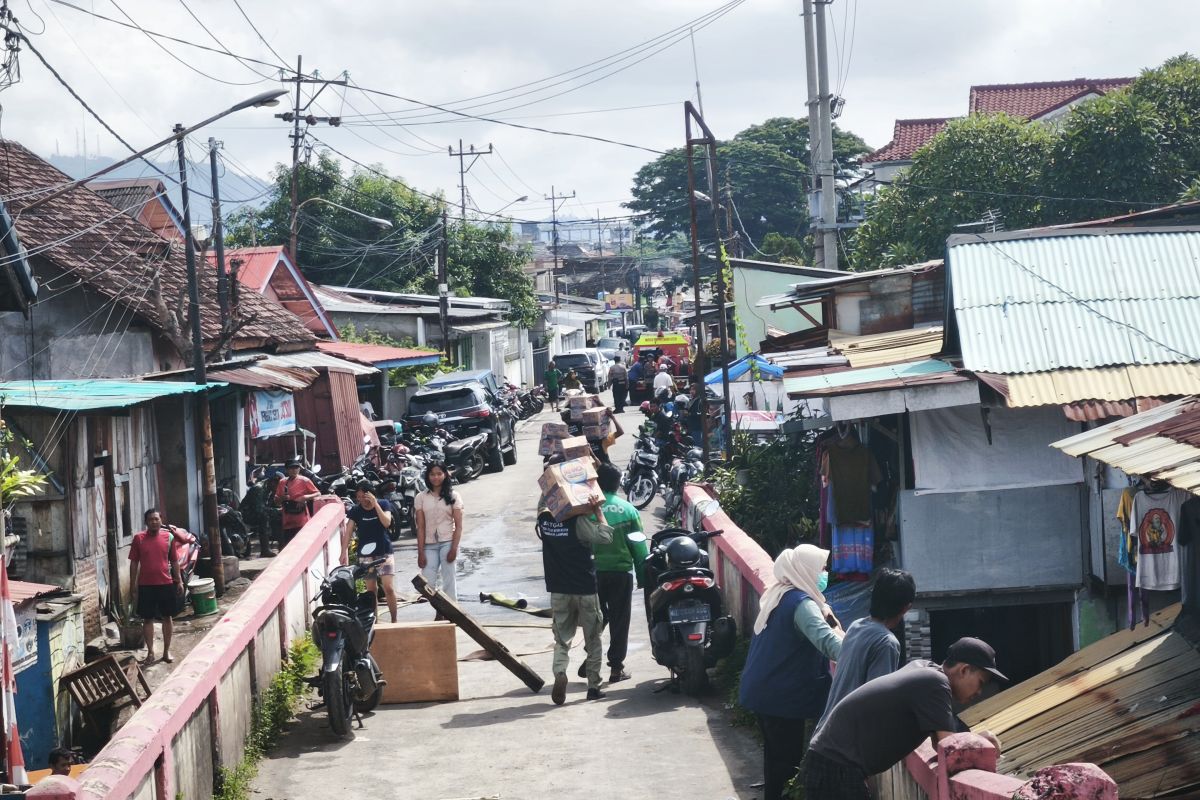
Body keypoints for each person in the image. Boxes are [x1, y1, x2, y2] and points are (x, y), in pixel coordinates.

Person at [804, 637, 1007, 800]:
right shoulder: (936, 683)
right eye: (980, 682)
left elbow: (939, 742)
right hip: (837, 767)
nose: (980, 692)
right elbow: (948, 745)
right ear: (963, 670)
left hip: (830, 761)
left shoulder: (923, 668)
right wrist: (980, 739)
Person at [739, 544, 844, 800]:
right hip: (781, 697)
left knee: (776, 762)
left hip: (764, 692)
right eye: (821, 568)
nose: (824, 573)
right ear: (805, 571)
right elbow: (830, 645)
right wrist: (863, 650)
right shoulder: (802, 605)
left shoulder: (781, 594)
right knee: (787, 765)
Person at [536, 486, 612, 705]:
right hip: (585, 588)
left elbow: (542, 504)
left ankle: (560, 672)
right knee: (593, 638)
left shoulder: (543, 521)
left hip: (558, 589)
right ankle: (593, 687)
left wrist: (549, 486)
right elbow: (606, 536)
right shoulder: (578, 523)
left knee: (562, 640)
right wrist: (597, 511)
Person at [817, 568, 915, 728]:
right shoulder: (886, 642)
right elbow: (877, 702)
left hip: (826, 730)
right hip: (846, 740)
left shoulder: (857, 625)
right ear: (906, 608)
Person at [584, 462, 646, 684]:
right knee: (620, 620)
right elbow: (639, 546)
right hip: (621, 573)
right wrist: (643, 574)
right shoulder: (629, 510)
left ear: (597, 483)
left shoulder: (587, 510)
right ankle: (616, 668)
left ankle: (591, 657)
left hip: (594, 573)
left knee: (596, 618)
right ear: (619, 484)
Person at [128, 508, 185, 663]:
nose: (154, 522)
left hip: (166, 583)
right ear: (146, 522)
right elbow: (134, 563)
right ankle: (151, 653)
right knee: (147, 619)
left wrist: (178, 580)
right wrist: (133, 585)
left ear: (161, 520)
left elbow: (174, 561)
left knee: (168, 617)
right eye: (151, 519)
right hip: (146, 586)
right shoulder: (138, 538)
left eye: (157, 519)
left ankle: (166, 652)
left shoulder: (169, 537)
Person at [340, 481, 397, 622]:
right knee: (371, 590)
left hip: (384, 551)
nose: (361, 500)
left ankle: (394, 620)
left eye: (363, 497)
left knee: (388, 587)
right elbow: (348, 532)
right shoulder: (356, 511)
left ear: (371, 494)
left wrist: (375, 504)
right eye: (358, 497)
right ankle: (374, 620)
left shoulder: (384, 504)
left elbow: (387, 522)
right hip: (365, 554)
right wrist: (343, 552)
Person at [415, 463, 464, 604]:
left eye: (439, 473)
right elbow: (421, 527)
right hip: (429, 545)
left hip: (448, 542)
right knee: (428, 583)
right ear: (427, 476)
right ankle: (439, 608)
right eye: (432, 474)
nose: (435, 477)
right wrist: (420, 553)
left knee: (449, 581)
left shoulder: (454, 496)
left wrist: (454, 549)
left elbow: (459, 526)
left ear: (445, 475)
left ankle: (451, 614)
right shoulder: (421, 497)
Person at [274, 459, 320, 548]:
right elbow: (276, 501)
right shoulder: (282, 482)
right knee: (289, 547)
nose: (294, 470)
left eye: (296, 468)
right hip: (287, 520)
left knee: (304, 546)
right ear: (287, 470)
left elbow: (318, 493)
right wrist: (282, 498)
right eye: (291, 468)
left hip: (302, 520)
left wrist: (305, 498)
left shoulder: (305, 480)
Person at [239, 469, 277, 558]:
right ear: (272, 482)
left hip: (254, 512)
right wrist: (276, 511)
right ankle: (265, 550)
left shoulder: (268, 488)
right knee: (264, 517)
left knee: (275, 515)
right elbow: (259, 509)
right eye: (277, 485)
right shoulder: (259, 489)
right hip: (246, 514)